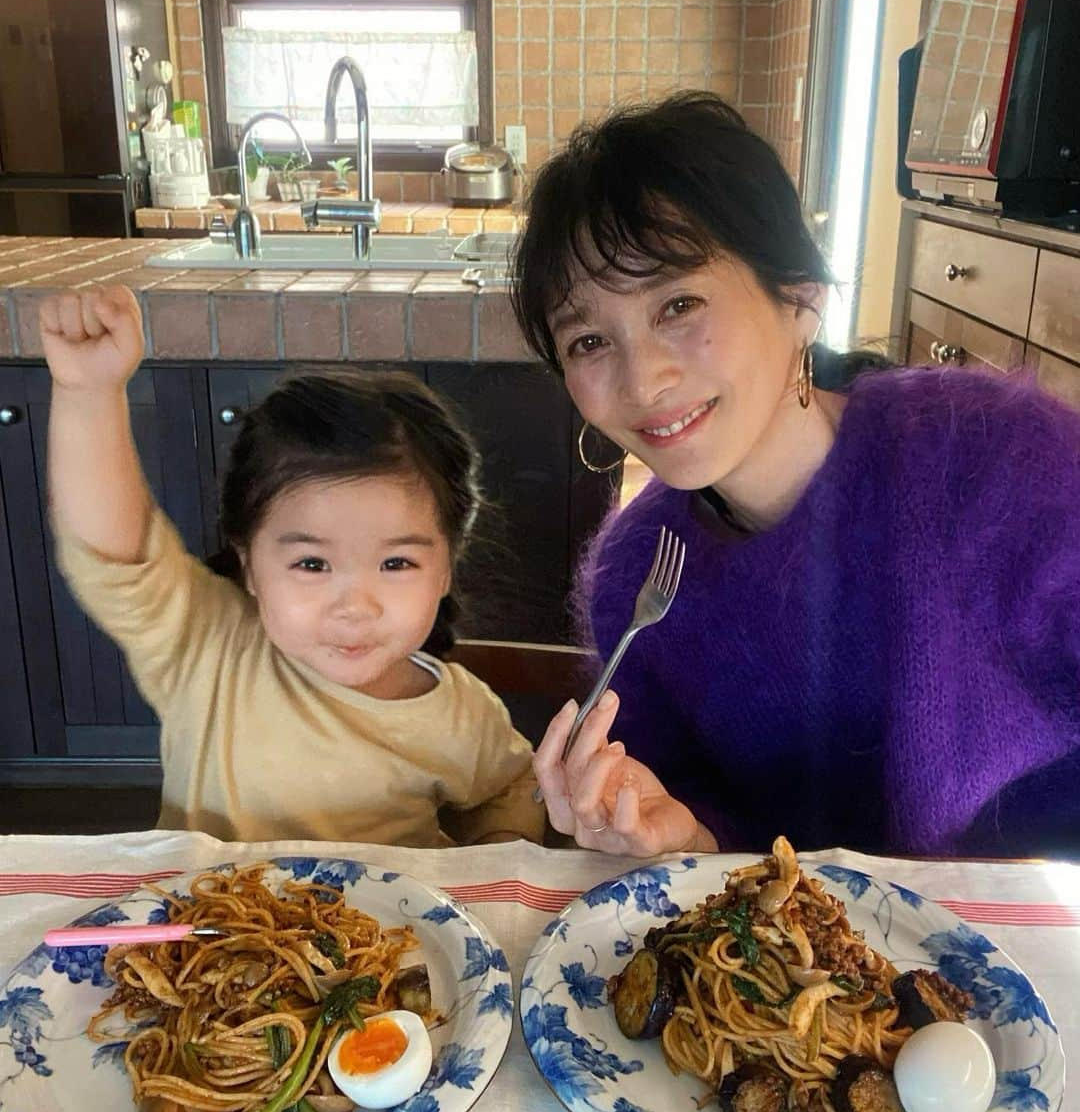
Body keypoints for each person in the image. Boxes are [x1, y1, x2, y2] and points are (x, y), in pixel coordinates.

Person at [514, 90, 1080, 859]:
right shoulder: (635, 579)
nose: (643, 383)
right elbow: (697, 826)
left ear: (800, 297)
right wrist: (681, 833)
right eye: (587, 342)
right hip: (816, 958)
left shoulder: (994, 455)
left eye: (678, 304)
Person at [40, 284, 545, 847]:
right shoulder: (207, 647)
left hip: (394, 934)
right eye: (311, 563)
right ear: (250, 565)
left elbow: (510, 789)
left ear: (447, 567)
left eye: (397, 562)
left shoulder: (465, 715)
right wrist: (89, 391)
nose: (356, 606)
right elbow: (114, 552)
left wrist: (495, 853)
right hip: (217, 928)